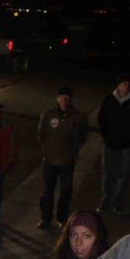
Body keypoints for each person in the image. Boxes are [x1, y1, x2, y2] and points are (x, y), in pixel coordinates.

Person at [37, 86, 87, 229]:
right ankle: (45, 218)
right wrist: (46, 152)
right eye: (62, 98)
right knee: (48, 191)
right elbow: (41, 135)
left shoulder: (78, 117)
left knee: (65, 191)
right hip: (50, 160)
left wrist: (74, 144)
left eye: (67, 98)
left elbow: (83, 138)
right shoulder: (48, 114)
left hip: (67, 160)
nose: (64, 101)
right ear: (57, 99)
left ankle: (62, 218)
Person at [97, 74, 130, 215]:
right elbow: (101, 119)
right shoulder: (109, 100)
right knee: (107, 174)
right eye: (123, 84)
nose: (125, 87)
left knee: (124, 175)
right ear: (118, 85)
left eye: (127, 84)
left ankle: (118, 203)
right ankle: (105, 202)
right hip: (109, 143)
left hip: (126, 145)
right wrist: (105, 134)